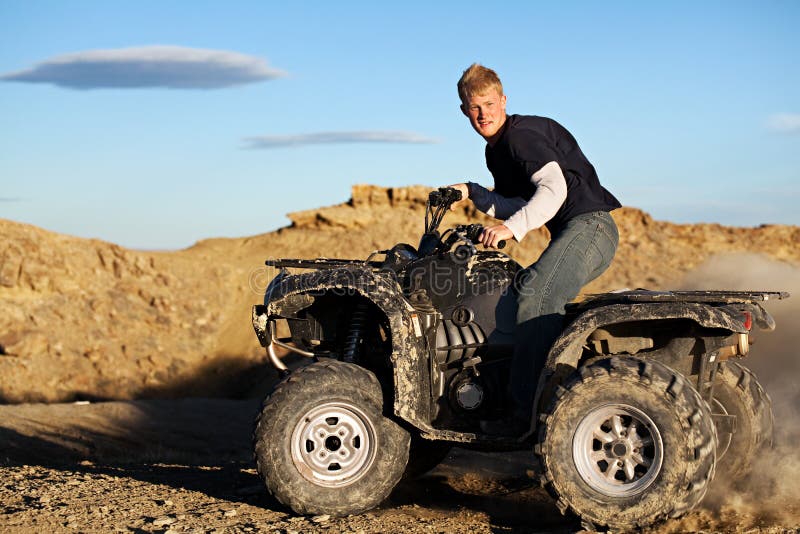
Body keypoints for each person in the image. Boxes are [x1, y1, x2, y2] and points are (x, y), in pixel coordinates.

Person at [450, 63, 621, 436]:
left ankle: (524, 417)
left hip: (590, 226)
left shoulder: (521, 136)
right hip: (578, 230)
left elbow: (553, 191)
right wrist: (473, 192)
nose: (483, 114)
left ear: (504, 100)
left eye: (490, 104)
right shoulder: (496, 151)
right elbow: (518, 202)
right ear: (464, 110)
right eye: (474, 107)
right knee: (517, 293)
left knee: (536, 294)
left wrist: (510, 229)